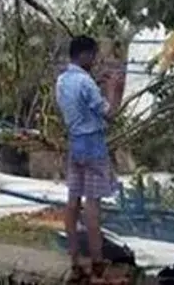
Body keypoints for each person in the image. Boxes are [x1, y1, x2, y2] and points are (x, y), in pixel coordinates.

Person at [55, 35, 125, 278]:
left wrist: (97, 84)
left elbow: (80, 104)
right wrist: (113, 88)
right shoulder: (86, 83)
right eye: (93, 56)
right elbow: (110, 114)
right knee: (93, 204)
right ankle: (97, 261)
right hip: (93, 145)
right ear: (84, 55)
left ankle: (75, 261)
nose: (95, 61)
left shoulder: (62, 81)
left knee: (73, 202)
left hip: (75, 144)